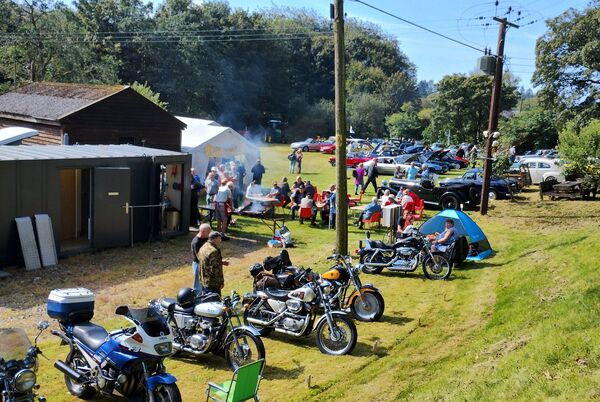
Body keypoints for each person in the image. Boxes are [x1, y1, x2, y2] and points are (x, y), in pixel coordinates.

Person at [197, 231, 230, 296]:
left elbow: (205, 261)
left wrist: (221, 262)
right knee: (214, 303)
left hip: (204, 280)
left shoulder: (204, 247)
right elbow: (215, 270)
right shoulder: (213, 251)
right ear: (215, 239)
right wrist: (220, 282)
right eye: (219, 239)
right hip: (212, 284)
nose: (220, 241)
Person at [191, 224, 211, 293]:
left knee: (204, 283)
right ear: (203, 232)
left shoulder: (205, 238)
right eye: (208, 232)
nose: (209, 234)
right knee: (198, 285)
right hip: (198, 264)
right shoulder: (196, 242)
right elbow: (199, 256)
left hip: (204, 263)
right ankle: (197, 298)